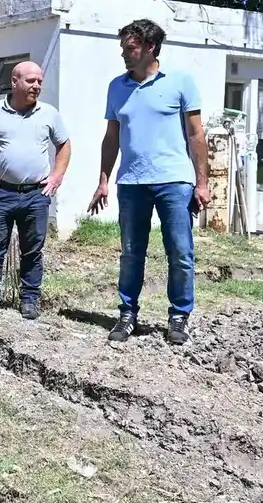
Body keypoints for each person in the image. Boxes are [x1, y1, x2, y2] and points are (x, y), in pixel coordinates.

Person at [88, 19, 210, 346]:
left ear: (150, 47)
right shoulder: (117, 87)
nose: (125, 55)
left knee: (180, 252)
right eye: (124, 49)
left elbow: (197, 135)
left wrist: (202, 182)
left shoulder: (180, 82)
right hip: (131, 183)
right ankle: (127, 314)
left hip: (174, 181)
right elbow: (111, 137)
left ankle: (179, 317)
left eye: (131, 48)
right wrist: (103, 180)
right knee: (131, 252)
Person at [0, 61, 70, 321]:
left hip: (36, 195)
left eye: (39, 81)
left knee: (32, 250)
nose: (37, 86)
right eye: (31, 81)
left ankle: (30, 300)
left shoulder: (49, 114)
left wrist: (56, 176)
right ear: (14, 82)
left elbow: (64, 144)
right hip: (1, 193)